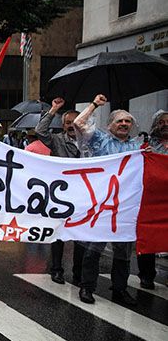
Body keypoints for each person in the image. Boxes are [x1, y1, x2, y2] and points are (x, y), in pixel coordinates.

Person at [73, 94, 140, 306]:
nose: (124, 124)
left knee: (124, 252)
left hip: (125, 207)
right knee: (95, 247)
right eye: (119, 120)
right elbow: (78, 123)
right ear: (110, 124)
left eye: (127, 121)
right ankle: (87, 287)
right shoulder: (98, 139)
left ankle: (120, 289)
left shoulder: (137, 148)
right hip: (101, 205)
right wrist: (94, 105)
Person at [34, 98, 83, 285]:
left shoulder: (90, 141)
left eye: (76, 123)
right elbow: (40, 131)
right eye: (68, 123)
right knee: (59, 233)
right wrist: (53, 109)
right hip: (61, 195)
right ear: (63, 126)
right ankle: (56, 269)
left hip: (83, 194)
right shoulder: (56, 140)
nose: (72, 126)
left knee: (81, 235)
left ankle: (78, 273)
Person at [137, 109, 167, 290]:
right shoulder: (146, 145)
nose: (165, 125)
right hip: (150, 199)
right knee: (148, 236)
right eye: (161, 122)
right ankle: (146, 275)